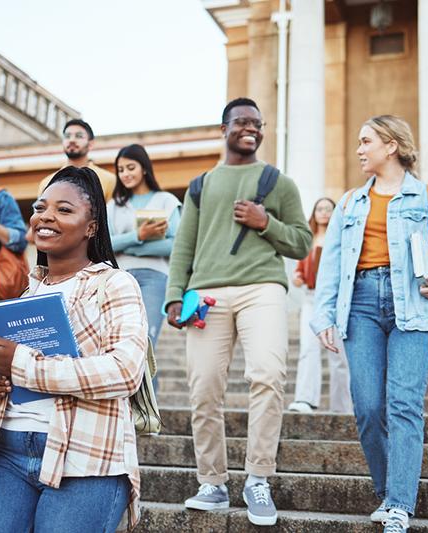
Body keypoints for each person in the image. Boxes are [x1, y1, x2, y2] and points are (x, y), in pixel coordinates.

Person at [0, 166, 148, 533]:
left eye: (64, 210)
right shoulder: (28, 293)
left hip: (85, 457)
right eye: (40, 207)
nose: (45, 216)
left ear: (92, 226)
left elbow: (125, 371)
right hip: (10, 452)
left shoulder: (114, 284)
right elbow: (16, 374)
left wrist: (24, 365)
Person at [311, 115, 428, 533]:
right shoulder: (349, 202)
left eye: (366, 141)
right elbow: (331, 265)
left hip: (414, 304)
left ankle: (399, 503)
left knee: (403, 404)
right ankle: (387, 490)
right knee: (366, 406)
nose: (360, 149)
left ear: (391, 146)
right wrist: (324, 315)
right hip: (360, 302)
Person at [165, 97, 312, 526]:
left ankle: (258, 477)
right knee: (204, 387)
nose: (250, 128)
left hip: (262, 288)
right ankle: (212, 482)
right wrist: (175, 294)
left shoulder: (278, 182)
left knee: (268, 374)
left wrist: (265, 222)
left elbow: (302, 242)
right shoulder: (201, 184)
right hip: (207, 294)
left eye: (257, 123)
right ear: (223, 128)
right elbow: (183, 247)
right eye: (241, 122)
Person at [107, 143, 181, 354]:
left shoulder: (166, 201)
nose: (125, 174)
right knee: (121, 345)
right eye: (120, 170)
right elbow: (105, 245)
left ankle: (149, 388)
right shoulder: (113, 206)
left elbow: (176, 245)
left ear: (144, 168)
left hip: (155, 278)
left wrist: (132, 248)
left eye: (131, 168)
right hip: (119, 279)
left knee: (146, 344)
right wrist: (138, 236)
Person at [287, 197, 353, 415]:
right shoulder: (308, 239)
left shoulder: (341, 238)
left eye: (328, 209)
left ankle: (343, 406)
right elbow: (300, 269)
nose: (323, 213)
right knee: (308, 348)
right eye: (319, 209)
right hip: (310, 297)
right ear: (313, 213)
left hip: (335, 300)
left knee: (338, 355)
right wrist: (297, 276)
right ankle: (305, 399)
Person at [37, 119, 116, 202]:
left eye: (79, 136)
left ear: (91, 144)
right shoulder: (47, 182)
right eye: (67, 136)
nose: (72, 140)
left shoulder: (109, 180)